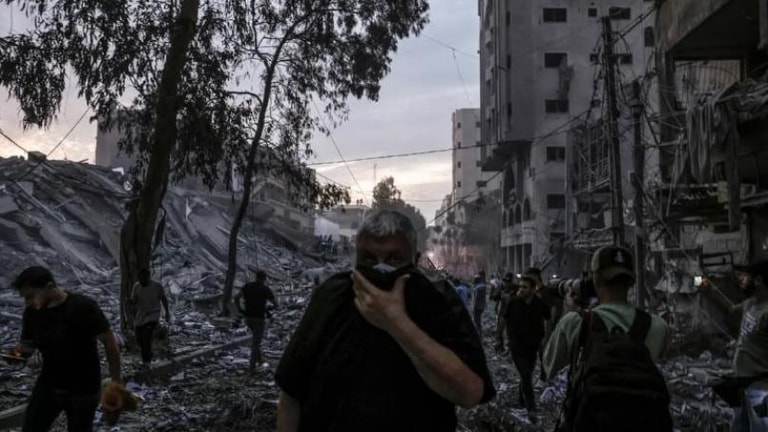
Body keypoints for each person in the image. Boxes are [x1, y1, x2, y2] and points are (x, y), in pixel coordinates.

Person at [276, 209, 495, 432]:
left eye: (394, 259)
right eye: (369, 259)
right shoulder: (333, 296)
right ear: (356, 260)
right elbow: (291, 394)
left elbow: (470, 393)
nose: (380, 268)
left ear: (415, 260)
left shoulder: (437, 302)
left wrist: (395, 322)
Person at [543, 246, 671, 432]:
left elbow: (548, 368)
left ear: (596, 279)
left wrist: (567, 312)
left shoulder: (576, 322)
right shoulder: (658, 326)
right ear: (631, 282)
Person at [8, 266, 122, 432]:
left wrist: (116, 383)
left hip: (84, 389)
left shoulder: (83, 307)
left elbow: (109, 342)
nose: (28, 302)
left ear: (49, 287)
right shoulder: (32, 313)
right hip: (49, 384)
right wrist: (15, 355)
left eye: (30, 296)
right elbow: (27, 347)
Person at [705, 260, 768, 431]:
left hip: (761, 389)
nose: (740, 279)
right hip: (743, 385)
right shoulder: (751, 304)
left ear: (759, 280)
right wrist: (705, 287)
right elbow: (730, 309)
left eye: (745, 276)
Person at [498, 274, 550, 423]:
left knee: (527, 374)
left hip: (533, 345)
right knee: (526, 375)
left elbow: (549, 318)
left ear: (533, 289)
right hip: (516, 346)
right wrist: (498, 337)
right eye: (520, 286)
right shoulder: (513, 303)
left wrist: (546, 338)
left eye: (525, 287)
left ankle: (521, 401)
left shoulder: (539, 304)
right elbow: (503, 319)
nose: (521, 289)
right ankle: (531, 408)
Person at [235, 270, 278, 372]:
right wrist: (268, 309)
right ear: (264, 279)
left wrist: (240, 309)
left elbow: (236, 298)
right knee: (256, 343)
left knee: (255, 339)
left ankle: (259, 360)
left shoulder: (247, 286)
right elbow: (275, 304)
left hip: (248, 318)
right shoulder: (265, 289)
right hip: (259, 318)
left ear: (256, 277)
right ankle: (252, 367)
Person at [130, 268, 171, 368]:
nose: (142, 281)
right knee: (139, 339)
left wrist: (167, 312)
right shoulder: (136, 286)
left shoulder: (157, 286)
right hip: (141, 316)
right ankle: (149, 354)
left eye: (144, 279)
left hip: (153, 315)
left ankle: (146, 361)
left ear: (148, 277)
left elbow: (163, 299)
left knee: (146, 337)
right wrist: (130, 303)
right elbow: (134, 300)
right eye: (140, 279)